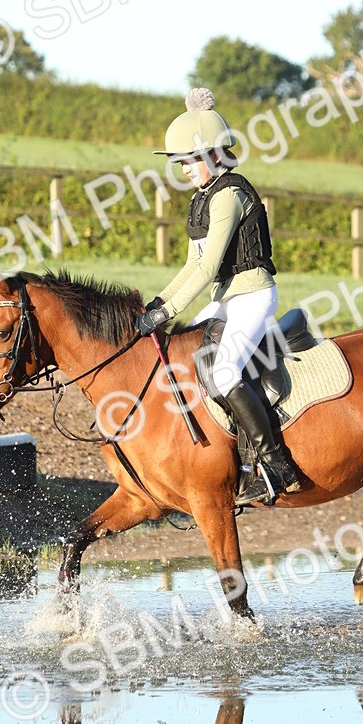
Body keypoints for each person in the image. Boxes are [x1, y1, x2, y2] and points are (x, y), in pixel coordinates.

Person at [137, 87, 302, 506]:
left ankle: (276, 464)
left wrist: (168, 310)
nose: (185, 169)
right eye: (181, 163)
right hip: (228, 297)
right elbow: (193, 266)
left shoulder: (229, 195)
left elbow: (209, 267)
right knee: (189, 347)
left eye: (189, 160)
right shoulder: (202, 200)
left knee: (224, 371)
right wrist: (160, 305)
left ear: (213, 154)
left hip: (253, 296)